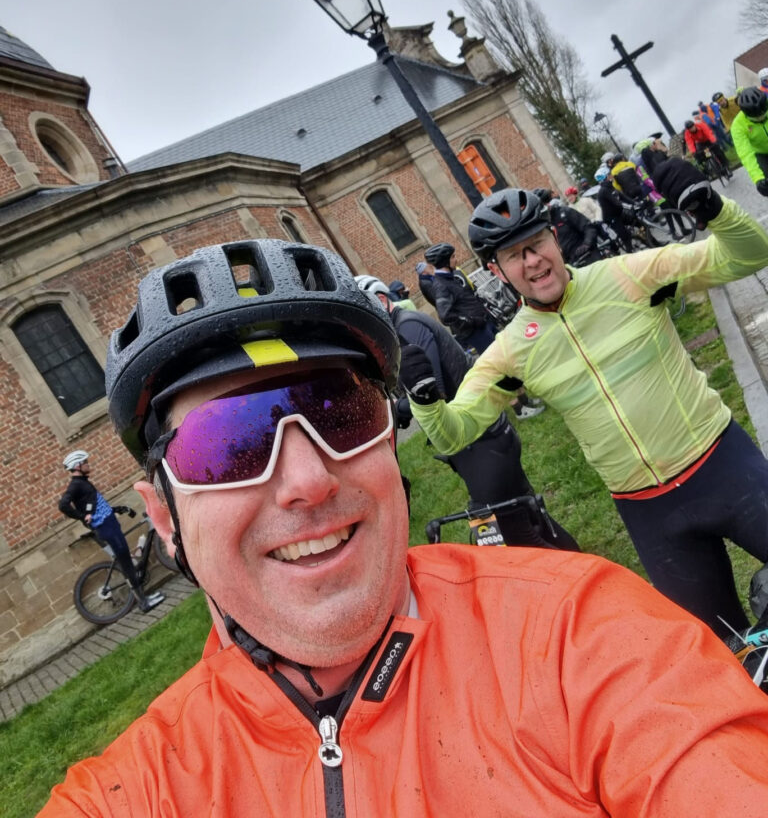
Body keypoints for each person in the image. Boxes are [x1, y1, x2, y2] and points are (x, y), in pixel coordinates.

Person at [41, 238, 768, 816]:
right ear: (164, 517)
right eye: (227, 444)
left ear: (387, 447)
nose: (308, 482)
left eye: (343, 414)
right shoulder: (143, 789)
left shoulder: (575, 634)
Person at [401, 165, 768, 636]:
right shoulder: (513, 349)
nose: (532, 262)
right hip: (650, 511)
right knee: (721, 651)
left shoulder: (627, 277)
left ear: (555, 237)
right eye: (515, 256)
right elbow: (456, 431)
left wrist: (715, 211)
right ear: (497, 271)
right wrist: (427, 400)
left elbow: (749, 256)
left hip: (722, 465)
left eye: (536, 244)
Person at [355, 274, 575, 549]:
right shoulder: (401, 328)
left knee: (514, 534)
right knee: (528, 513)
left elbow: (430, 392)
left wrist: (395, 408)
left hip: (478, 439)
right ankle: (581, 565)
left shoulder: (407, 328)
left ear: (382, 300)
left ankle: (575, 585)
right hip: (481, 434)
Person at [58, 450, 164, 613]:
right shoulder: (76, 485)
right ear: (77, 466)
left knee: (127, 560)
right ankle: (143, 602)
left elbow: (96, 505)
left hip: (110, 524)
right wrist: (82, 517)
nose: (88, 465)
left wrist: (118, 509)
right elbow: (63, 505)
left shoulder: (84, 482)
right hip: (105, 528)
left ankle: (144, 599)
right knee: (127, 564)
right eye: (85, 462)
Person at [423, 242, 496, 354]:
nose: (456, 259)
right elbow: (445, 316)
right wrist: (472, 321)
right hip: (477, 332)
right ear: (444, 261)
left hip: (484, 324)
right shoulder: (441, 286)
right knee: (499, 361)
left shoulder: (449, 278)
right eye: (453, 257)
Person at [731, 86, 768, 196]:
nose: (761, 118)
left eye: (763, 114)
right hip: (761, 153)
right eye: (756, 117)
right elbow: (745, 154)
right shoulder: (737, 126)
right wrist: (758, 179)